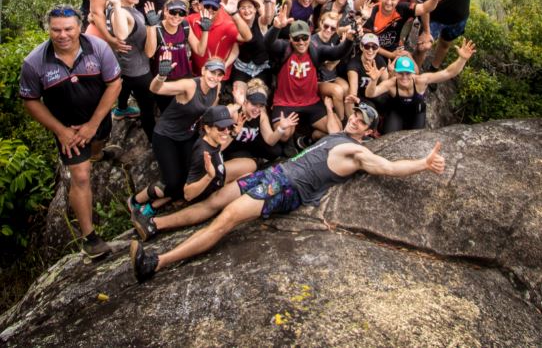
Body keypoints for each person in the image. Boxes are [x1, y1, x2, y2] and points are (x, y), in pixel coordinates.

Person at [129, 104, 446, 282]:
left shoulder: (358, 152)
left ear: (369, 132)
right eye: (355, 115)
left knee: (225, 219)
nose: (354, 121)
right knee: (214, 200)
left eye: (361, 122)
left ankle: (155, 263)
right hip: (275, 173)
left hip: (285, 188)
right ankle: (156, 225)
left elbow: (387, 168)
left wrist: (423, 163)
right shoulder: (340, 132)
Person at [19, 4, 121, 257]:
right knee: (81, 176)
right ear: (48, 30)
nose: (62, 35)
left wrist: (93, 125)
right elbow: (30, 100)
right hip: (67, 129)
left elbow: (114, 84)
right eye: (56, 30)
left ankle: (97, 152)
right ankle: (90, 238)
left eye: (68, 29)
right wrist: (61, 131)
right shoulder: (34, 63)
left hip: (97, 119)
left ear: (79, 27)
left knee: (99, 142)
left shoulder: (98, 48)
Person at [128, 57, 225, 216]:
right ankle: (136, 200)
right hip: (166, 135)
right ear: (203, 71)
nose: (215, 77)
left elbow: (210, 110)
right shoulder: (189, 85)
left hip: (188, 135)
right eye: (212, 72)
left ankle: (155, 205)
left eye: (219, 74)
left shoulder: (217, 86)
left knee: (190, 179)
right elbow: (156, 89)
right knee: (172, 182)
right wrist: (160, 76)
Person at [265, 6, 354, 144]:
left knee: (337, 131)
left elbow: (337, 52)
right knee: (284, 135)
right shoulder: (284, 48)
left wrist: (349, 40)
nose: (301, 42)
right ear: (290, 38)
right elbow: (267, 44)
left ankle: (311, 138)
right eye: (297, 38)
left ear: (309, 36)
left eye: (304, 37)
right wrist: (276, 28)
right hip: (285, 102)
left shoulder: (315, 50)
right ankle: (292, 139)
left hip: (311, 101)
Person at [365, 40, 476, 133]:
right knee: (389, 137)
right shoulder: (391, 84)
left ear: (413, 73)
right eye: (401, 73)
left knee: (416, 138)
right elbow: (370, 93)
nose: (404, 77)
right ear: (395, 73)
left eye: (408, 73)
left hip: (417, 113)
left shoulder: (421, 80)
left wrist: (462, 59)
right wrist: (374, 81)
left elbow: (448, 73)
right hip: (396, 112)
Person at [99, 0, 156, 138]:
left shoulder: (117, 8)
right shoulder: (121, 12)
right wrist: (117, 4)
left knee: (124, 86)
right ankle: (153, 139)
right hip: (139, 71)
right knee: (147, 108)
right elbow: (122, 34)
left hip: (123, 66)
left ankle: (121, 109)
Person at [187, 0, 252, 84]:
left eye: (214, 7)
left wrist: (234, 13)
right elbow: (175, 20)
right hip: (197, 75)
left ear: (220, 8)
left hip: (219, 76)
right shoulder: (192, 19)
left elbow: (247, 37)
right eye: (207, 6)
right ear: (200, 5)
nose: (210, 10)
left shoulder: (227, 23)